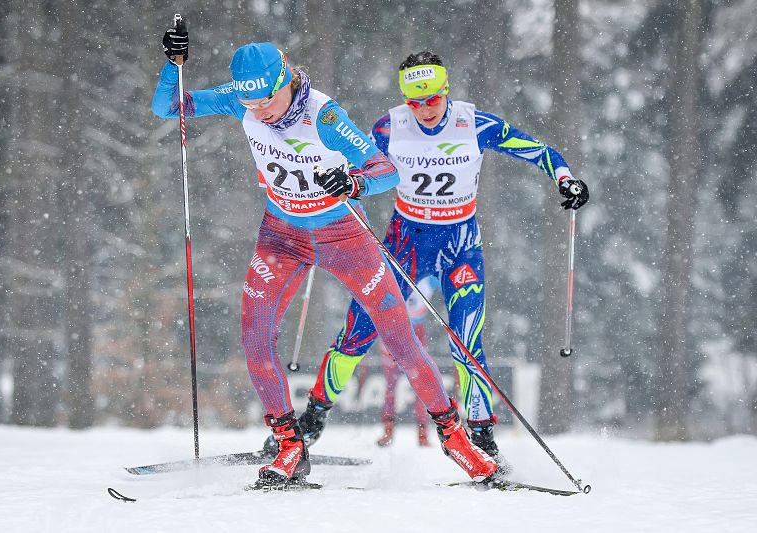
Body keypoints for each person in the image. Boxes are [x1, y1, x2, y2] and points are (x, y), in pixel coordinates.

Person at [153, 28, 497, 487]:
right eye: (250, 104)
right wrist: (172, 66)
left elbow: (386, 170)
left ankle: (457, 440)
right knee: (255, 338)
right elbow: (167, 107)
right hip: (281, 235)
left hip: (342, 235)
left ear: (286, 81)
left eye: (267, 102)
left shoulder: (325, 116)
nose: (260, 112)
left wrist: (354, 183)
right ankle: (290, 445)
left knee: (400, 340)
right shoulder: (242, 100)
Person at [270, 51, 589, 476]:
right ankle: (311, 420)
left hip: (460, 244)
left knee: (466, 341)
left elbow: (537, 150)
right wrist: (336, 183)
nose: (423, 110)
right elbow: (349, 161)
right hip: (407, 242)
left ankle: (482, 435)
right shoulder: (389, 126)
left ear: (445, 91)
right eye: (414, 102)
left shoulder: (475, 124)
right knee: (358, 332)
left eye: (432, 100)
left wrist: (566, 180)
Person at [376, 277, 437, 447]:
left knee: (420, 385)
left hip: (415, 332)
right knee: (390, 384)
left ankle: (422, 433)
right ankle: (388, 431)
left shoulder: (428, 276)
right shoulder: (391, 273)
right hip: (391, 330)